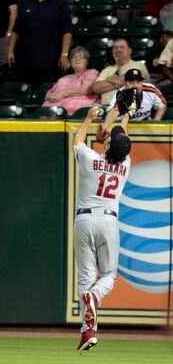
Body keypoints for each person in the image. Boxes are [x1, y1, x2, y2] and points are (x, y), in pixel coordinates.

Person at [73, 107, 131, 350]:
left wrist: (88, 119)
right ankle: (95, 298)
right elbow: (123, 139)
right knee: (108, 276)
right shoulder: (125, 163)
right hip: (108, 222)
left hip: (83, 221)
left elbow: (77, 141)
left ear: (107, 148)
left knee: (86, 277)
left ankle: (88, 332)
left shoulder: (91, 159)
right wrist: (126, 115)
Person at [7, 0, 73, 90]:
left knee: (46, 92)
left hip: (50, 60)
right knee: (26, 91)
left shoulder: (61, 6)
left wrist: (64, 54)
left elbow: (67, 32)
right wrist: (10, 50)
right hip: (26, 59)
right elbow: (16, 30)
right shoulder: (26, 4)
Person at [90, 38, 150, 107]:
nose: (118, 50)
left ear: (129, 51)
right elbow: (96, 87)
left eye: (122, 47)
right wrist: (121, 83)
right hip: (105, 107)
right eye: (115, 48)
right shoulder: (107, 69)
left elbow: (132, 81)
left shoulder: (138, 65)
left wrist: (110, 78)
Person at [42, 46, 100, 116]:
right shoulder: (64, 78)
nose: (77, 59)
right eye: (74, 57)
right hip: (53, 111)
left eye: (81, 57)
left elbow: (85, 90)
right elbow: (48, 95)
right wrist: (50, 97)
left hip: (75, 112)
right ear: (70, 61)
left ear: (87, 61)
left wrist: (63, 95)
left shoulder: (91, 72)